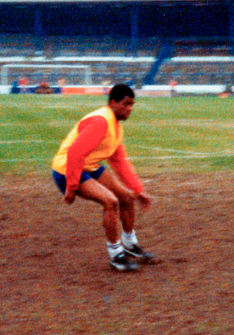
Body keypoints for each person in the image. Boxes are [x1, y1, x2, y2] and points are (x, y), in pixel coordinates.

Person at [51, 83, 160, 271]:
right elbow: (74, 153)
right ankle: (116, 256)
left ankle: (130, 246)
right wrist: (71, 187)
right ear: (112, 102)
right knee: (110, 202)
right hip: (67, 169)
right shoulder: (101, 122)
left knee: (126, 197)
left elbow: (120, 163)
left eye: (132, 104)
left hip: (89, 167)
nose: (130, 108)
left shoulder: (115, 126)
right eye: (126, 104)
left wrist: (138, 190)